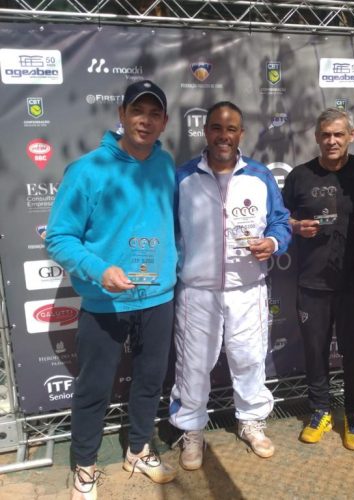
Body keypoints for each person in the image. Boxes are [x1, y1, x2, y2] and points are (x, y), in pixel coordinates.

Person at [46, 80, 177, 499]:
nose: (145, 121)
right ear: (121, 115)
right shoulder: (87, 170)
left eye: (154, 114)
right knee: (94, 388)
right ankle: (85, 465)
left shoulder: (166, 165)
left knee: (150, 381)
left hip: (158, 298)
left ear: (164, 121)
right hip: (105, 302)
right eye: (137, 111)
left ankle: (138, 449)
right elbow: (59, 237)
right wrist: (99, 270)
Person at [169, 101, 291, 470]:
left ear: (241, 134)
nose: (224, 136)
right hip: (197, 291)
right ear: (206, 131)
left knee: (249, 357)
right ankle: (191, 429)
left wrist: (273, 242)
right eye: (217, 128)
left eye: (232, 129)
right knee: (193, 364)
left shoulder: (259, 175)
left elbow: (280, 221)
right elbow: (166, 229)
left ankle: (251, 420)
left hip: (247, 288)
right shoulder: (183, 177)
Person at [282, 108, 354, 449]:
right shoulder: (300, 176)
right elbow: (279, 218)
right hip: (312, 283)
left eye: (338, 134)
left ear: (351, 136)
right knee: (315, 351)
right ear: (317, 138)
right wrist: (294, 226)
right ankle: (319, 410)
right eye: (325, 135)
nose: (331, 141)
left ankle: (353, 415)